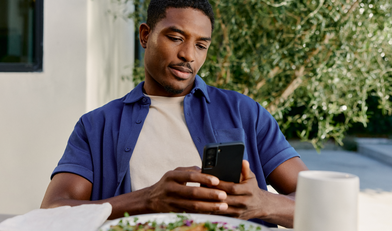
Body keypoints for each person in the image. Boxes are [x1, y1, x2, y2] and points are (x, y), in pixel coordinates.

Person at [41, 0, 308, 228]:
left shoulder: (245, 112)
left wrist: (262, 203)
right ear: (145, 36)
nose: (188, 55)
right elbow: (53, 213)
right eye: (176, 38)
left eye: (201, 45)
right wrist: (147, 200)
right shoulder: (96, 126)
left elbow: (314, 203)